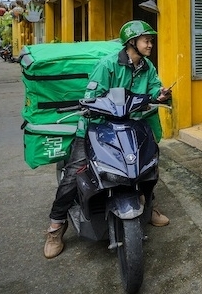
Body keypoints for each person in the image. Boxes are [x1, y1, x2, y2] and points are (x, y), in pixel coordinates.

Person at [44, 20, 172, 259]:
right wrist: (94, 107)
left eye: (151, 40)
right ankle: (56, 226)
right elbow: (91, 95)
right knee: (75, 173)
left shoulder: (147, 67)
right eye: (146, 40)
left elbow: (154, 88)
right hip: (98, 126)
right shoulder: (108, 65)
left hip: (130, 124)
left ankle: (148, 205)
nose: (150, 44)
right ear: (131, 42)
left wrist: (161, 94)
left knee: (148, 163)